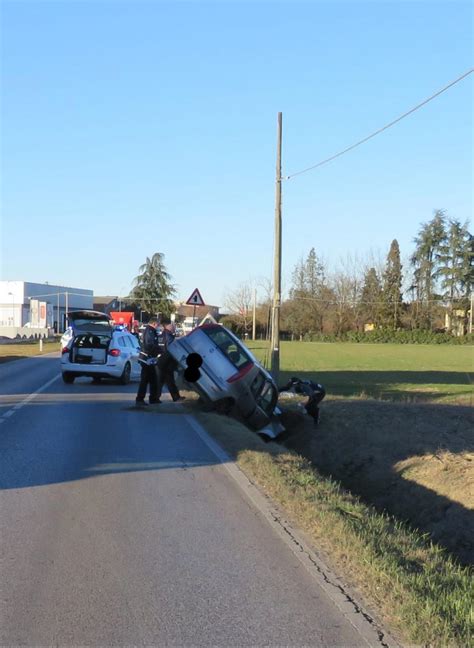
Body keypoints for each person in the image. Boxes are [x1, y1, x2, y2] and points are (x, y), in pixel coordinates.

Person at [155, 318, 185, 402]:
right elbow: (172, 350)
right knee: (164, 380)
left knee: (166, 380)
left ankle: (174, 397)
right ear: (167, 326)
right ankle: (156, 398)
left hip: (161, 361)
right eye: (172, 324)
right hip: (167, 361)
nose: (173, 326)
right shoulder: (169, 336)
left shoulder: (161, 335)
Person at [135, 318, 161, 406]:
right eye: (158, 324)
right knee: (146, 380)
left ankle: (152, 398)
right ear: (154, 323)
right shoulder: (149, 331)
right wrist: (160, 350)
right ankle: (141, 399)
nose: (158, 326)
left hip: (148, 359)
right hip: (147, 359)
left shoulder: (150, 331)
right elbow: (150, 345)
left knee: (152, 379)